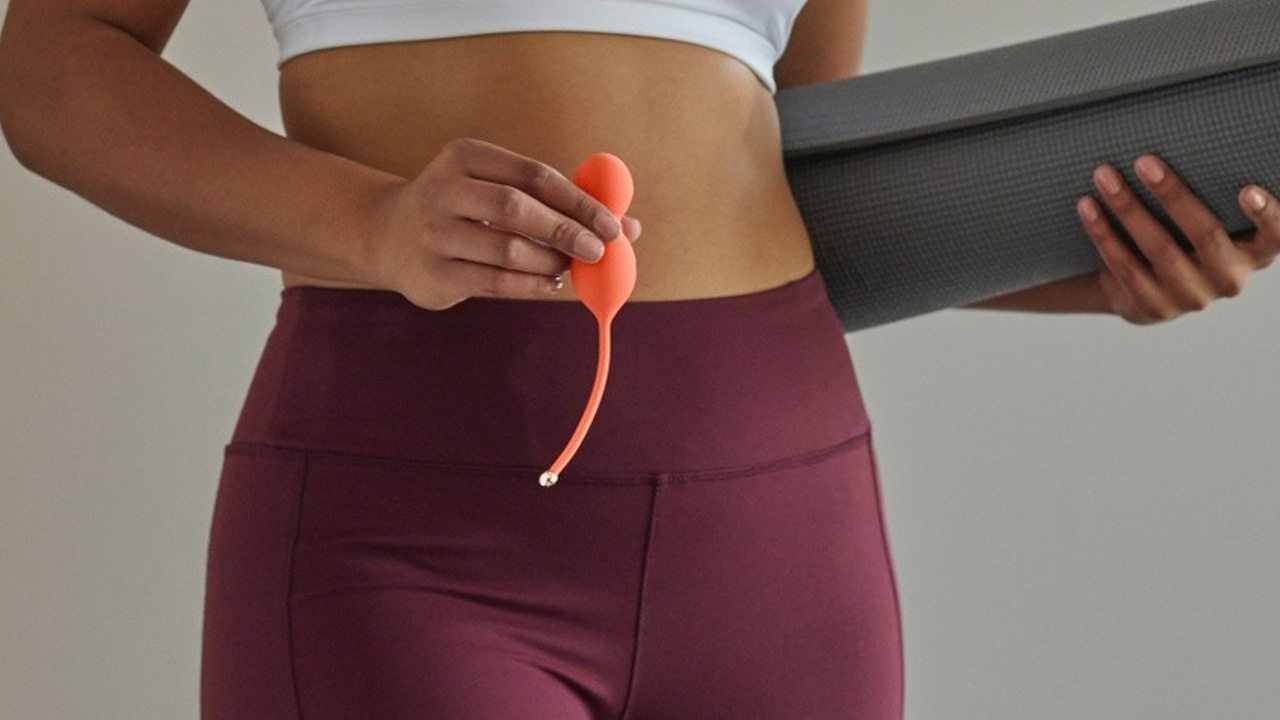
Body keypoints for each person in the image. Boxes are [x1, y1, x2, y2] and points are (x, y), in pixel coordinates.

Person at [1, 1, 1277, 718]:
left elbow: (798, 178)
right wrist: (370, 222)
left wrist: (1092, 267)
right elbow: (53, 65)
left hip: (782, 532)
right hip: (411, 533)